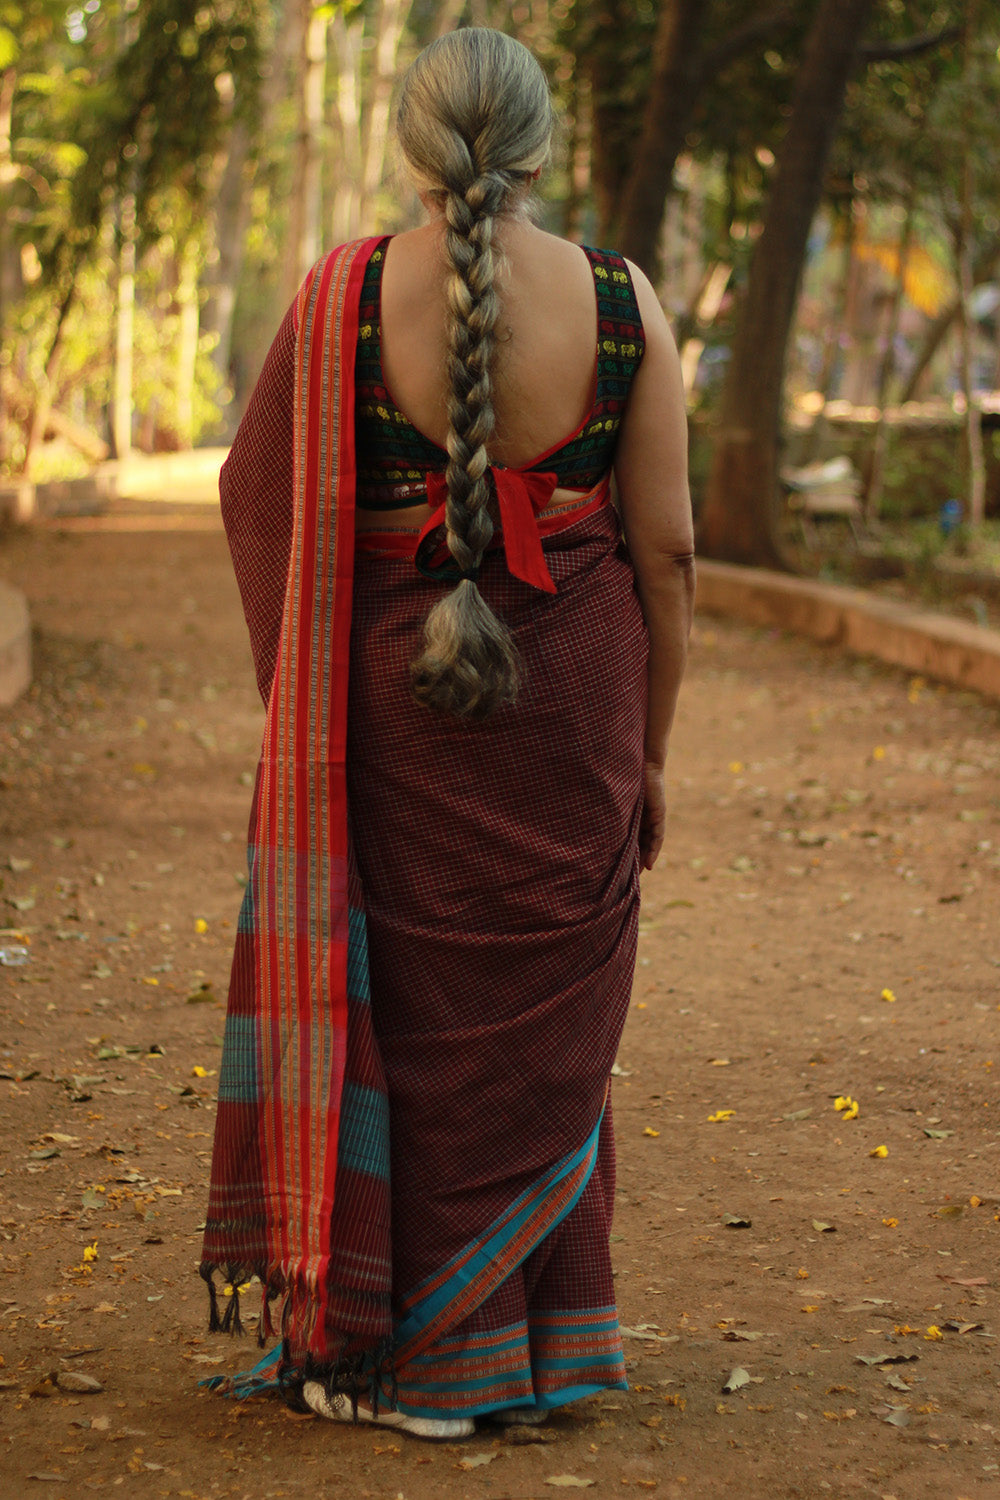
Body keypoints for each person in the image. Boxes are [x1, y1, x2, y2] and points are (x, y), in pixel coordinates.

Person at [200, 26, 694, 1442]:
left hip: (395, 715)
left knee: (404, 1021)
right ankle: (529, 1356)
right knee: (550, 1037)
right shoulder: (619, 303)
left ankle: (398, 1344)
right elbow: (666, 554)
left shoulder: (345, 297)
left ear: (418, 150)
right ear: (540, 148)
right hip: (577, 713)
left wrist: (302, 694)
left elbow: (256, 493)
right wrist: (648, 755)